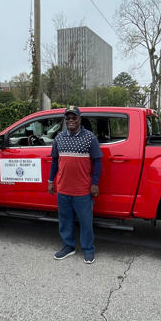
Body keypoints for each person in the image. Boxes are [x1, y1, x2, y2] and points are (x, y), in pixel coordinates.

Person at [48, 106, 102, 264]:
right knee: (65, 220)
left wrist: (95, 183)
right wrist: (51, 181)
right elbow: (55, 161)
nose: (71, 120)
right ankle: (68, 246)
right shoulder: (59, 138)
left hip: (82, 190)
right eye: (68, 118)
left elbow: (98, 162)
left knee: (86, 221)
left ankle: (88, 249)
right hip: (63, 188)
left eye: (74, 117)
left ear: (80, 119)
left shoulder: (90, 138)